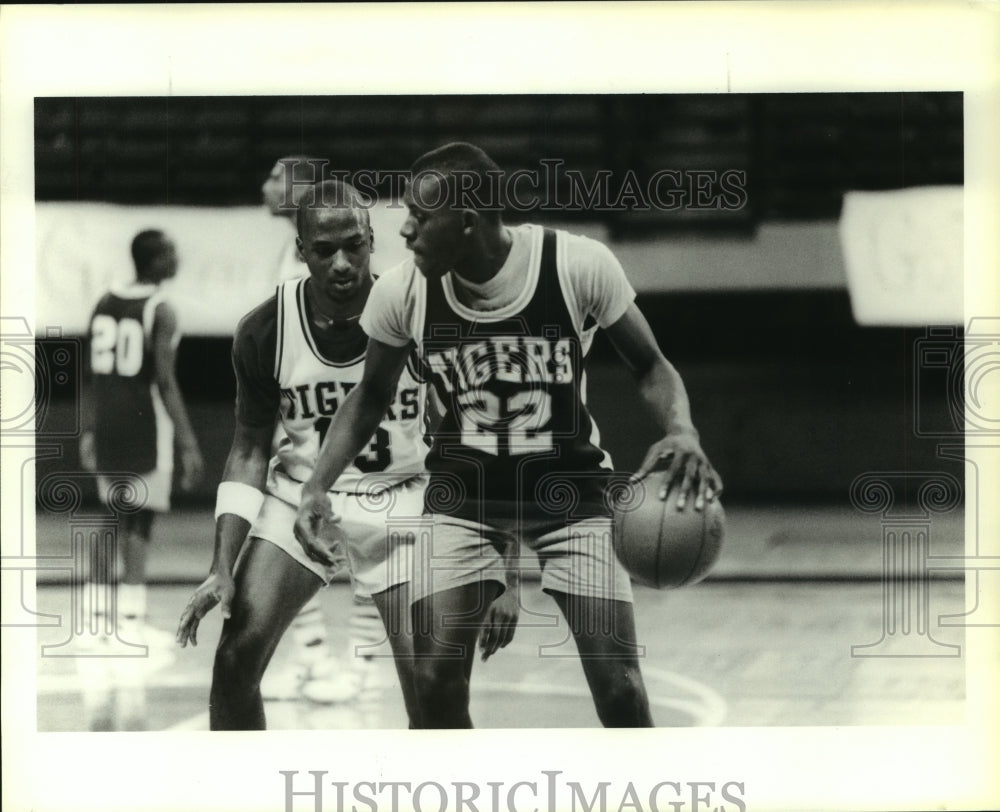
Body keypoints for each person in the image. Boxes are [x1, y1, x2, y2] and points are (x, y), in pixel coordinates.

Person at [294, 142, 723, 728]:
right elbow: (368, 398)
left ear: (467, 221)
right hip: (463, 502)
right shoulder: (402, 291)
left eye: (421, 218)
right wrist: (316, 486)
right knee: (434, 683)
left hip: (571, 497)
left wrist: (684, 431)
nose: (406, 230)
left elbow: (651, 366)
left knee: (621, 691)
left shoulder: (576, 264)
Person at [175, 180, 516, 730]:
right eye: (324, 249)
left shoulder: (425, 316)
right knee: (234, 662)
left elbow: (474, 440)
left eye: (354, 245)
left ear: (373, 241)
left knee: (435, 696)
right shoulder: (264, 329)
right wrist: (222, 566)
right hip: (302, 500)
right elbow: (248, 449)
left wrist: (503, 560)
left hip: (404, 500)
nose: (340, 262)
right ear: (301, 251)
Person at [259, 155, 388, 704]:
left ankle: (362, 662)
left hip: (353, 420)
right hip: (304, 421)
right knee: (294, 542)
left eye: (275, 176)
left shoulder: (340, 262)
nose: (265, 184)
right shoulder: (288, 263)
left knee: (370, 543)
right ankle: (312, 656)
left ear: (301, 188)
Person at [80, 229, 204, 645]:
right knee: (139, 522)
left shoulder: (103, 299)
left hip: (108, 421)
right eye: (171, 251)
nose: (177, 258)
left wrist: (89, 429)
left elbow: (91, 376)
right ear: (154, 261)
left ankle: (95, 620)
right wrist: (187, 441)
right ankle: (131, 623)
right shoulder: (161, 308)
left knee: (110, 519)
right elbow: (166, 382)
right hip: (143, 422)